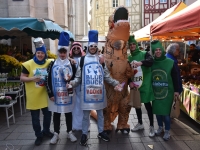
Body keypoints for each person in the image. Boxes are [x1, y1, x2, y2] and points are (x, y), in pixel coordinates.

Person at [68, 30, 122, 146]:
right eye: (91, 46)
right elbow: (78, 77)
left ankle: (101, 132)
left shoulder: (101, 60)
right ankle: (84, 134)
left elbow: (106, 76)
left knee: (100, 114)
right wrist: (72, 83)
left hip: (99, 93)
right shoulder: (82, 60)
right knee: (85, 116)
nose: (92, 48)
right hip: (86, 94)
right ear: (88, 47)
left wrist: (115, 83)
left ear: (97, 48)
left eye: (94, 46)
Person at [46, 32, 77, 144]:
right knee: (57, 114)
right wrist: (50, 94)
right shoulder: (52, 64)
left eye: (64, 52)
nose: (62, 54)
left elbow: (75, 78)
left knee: (68, 113)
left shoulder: (71, 64)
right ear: (58, 52)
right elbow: (48, 79)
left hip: (67, 94)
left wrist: (71, 83)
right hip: (56, 94)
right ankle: (56, 134)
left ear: (67, 52)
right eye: (61, 52)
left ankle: (69, 132)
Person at [20, 38, 53, 146]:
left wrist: (71, 60)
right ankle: (38, 135)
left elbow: (62, 60)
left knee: (48, 115)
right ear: (35, 53)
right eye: (38, 53)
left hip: (45, 95)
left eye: (42, 53)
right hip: (33, 96)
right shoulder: (28, 64)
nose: (40, 55)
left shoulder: (49, 62)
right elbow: (22, 78)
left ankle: (46, 131)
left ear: (44, 54)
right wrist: (32, 79)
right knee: (35, 119)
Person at [151, 40, 179, 141]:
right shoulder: (152, 62)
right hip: (156, 92)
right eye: (156, 50)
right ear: (153, 52)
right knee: (158, 112)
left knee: (166, 114)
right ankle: (160, 127)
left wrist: (176, 90)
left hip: (168, 93)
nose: (158, 52)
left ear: (162, 51)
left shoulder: (170, 62)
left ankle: (167, 131)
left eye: (159, 50)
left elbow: (175, 77)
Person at [127, 35, 155, 137]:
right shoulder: (129, 57)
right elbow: (128, 72)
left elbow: (151, 62)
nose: (132, 46)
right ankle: (140, 124)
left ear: (136, 45)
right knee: (137, 105)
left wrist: (141, 63)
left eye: (134, 44)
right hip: (135, 85)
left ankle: (152, 126)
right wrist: (129, 81)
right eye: (131, 45)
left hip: (145, 84)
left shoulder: (144, 53)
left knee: (148, 106)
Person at [69, 42, 85, 131]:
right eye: (74, 48)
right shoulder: (69, 59)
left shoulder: (83, 59)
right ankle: (74, 125)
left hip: (81, 84)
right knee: (73, 105)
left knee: (81, 105)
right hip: (71, 85)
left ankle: (83, 125)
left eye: (77, 48)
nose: (76, 50)